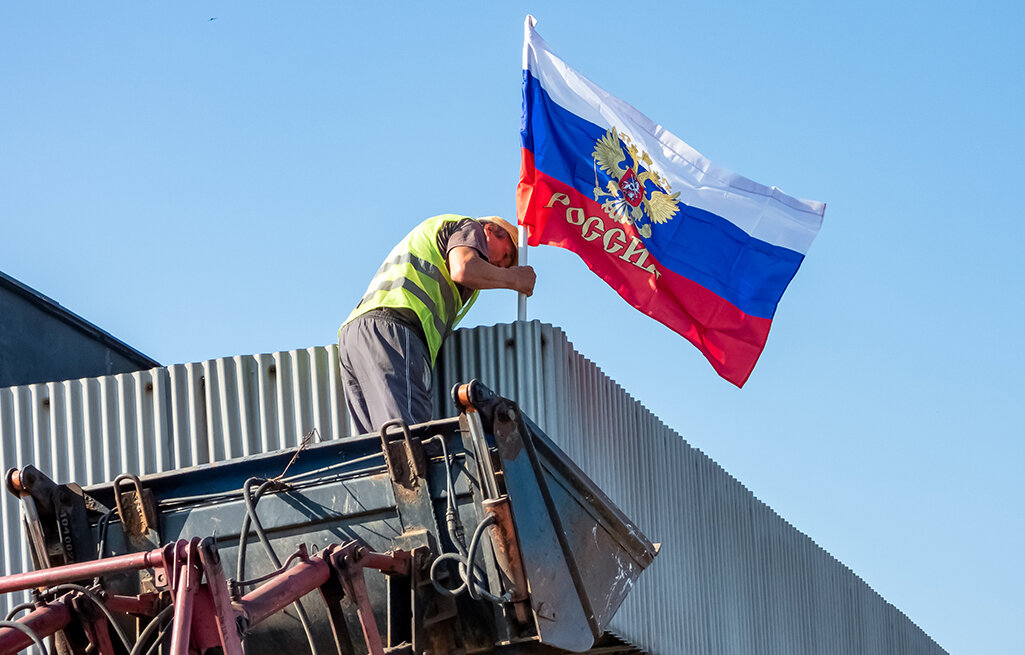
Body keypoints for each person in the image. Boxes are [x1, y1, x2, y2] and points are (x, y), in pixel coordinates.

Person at [337, 214, 536, 434]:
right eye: (506, 255)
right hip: (395, 330)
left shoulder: (437, 237)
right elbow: (464, 269)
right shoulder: (469, 228)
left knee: (377, 450)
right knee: (410, 441)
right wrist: (514, 279)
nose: (501, 265)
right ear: (490, 230)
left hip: (354, 335)